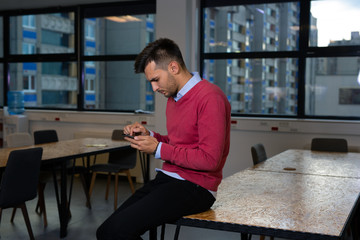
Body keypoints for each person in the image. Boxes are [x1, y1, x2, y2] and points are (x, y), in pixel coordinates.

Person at [96, 38, 231, 240]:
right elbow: (180, 143)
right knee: (105, 231)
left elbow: (209, 159)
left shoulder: (210, 97)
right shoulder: (174, 98)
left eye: (156, 79)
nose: (154, 88)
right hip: (170, 178)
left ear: (173, 67)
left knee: (115, 232)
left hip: (197, 187)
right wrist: (150, 136)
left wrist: (158, 149)